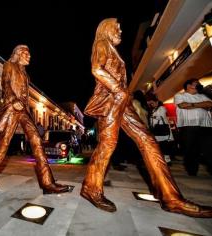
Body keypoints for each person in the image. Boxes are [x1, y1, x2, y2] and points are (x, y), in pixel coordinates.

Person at [82, 18, 212, 217]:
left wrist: (123, 94)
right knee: (108, 145)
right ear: (106, 29)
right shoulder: (101, 44)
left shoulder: (111, 48)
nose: (120, 30)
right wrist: (119, 90)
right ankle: (91, 189)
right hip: (110, 101)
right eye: (117, 27)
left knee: (148, 141)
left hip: (121, 102)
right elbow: (96, 69)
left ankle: (171, 198)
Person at [0, 45, 69, 194]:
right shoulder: (9, 65)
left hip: (24, 111)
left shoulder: (25, 74)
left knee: (37, 142)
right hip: (12, 109)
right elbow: (6, 84)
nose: (29, 57)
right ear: (18, 54)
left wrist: (23, 105)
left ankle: (47, 183)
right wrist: (13, 98)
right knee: (3, 147)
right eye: (26, 54)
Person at [174, 79, 212, 176]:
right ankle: (192, 171)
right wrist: (202, 105)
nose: (199, 85)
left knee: (208, 149)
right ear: (188, 86)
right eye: (196, 83)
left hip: (206, 126)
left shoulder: (203, 96)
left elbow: (209, 104)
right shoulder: (180, 96)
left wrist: (192, 105)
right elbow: (183, 105)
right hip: (188, 127)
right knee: (190, 150)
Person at [148, 98, 174, 164]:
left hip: (161, 129)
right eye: (151, 103)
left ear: (157, 102)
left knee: (163, 145)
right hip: (157, 129)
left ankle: (167, 160)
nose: (151, 104)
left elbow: (161, 117)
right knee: (160, 145)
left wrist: (152, 116)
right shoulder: (154, 109)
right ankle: (162, 159)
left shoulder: (161, 108)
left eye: (152, 103)